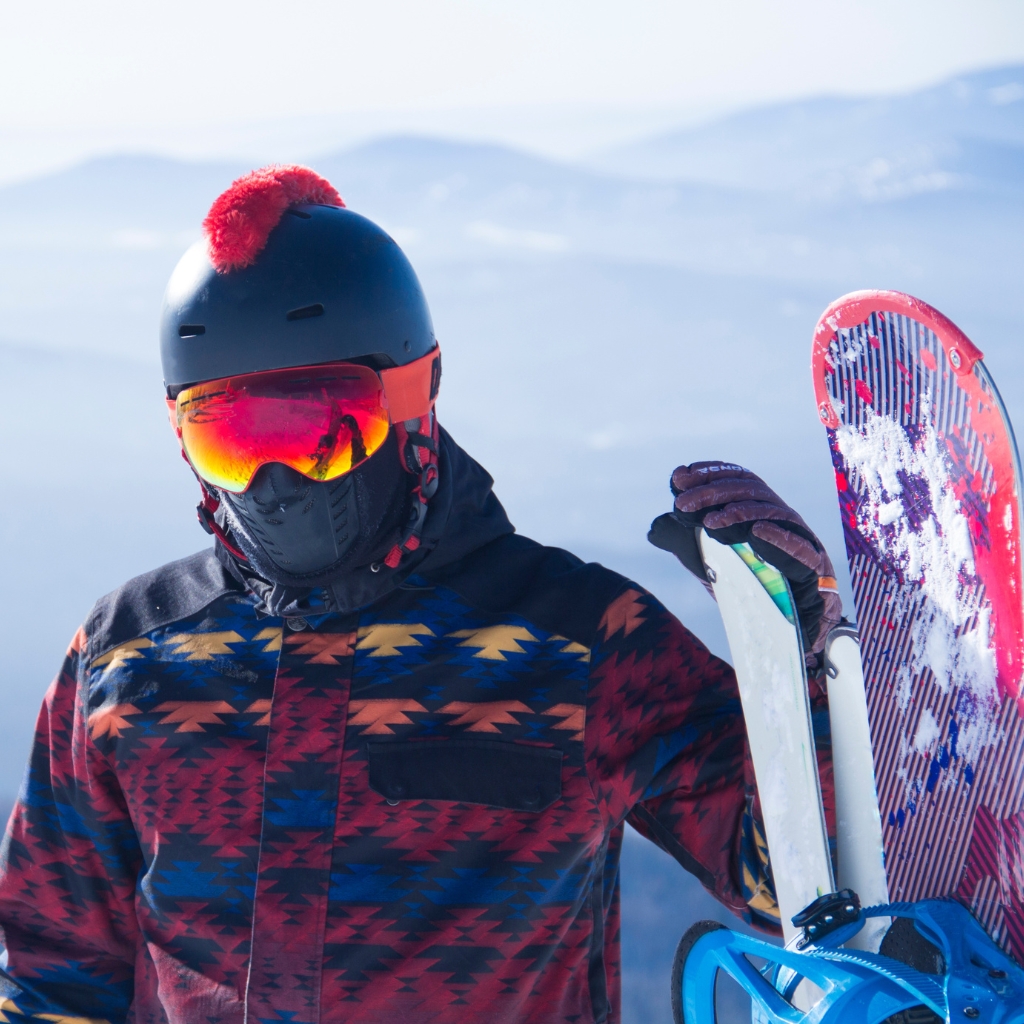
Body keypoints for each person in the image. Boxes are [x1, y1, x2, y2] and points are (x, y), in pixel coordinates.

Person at [0, 166, 841, 1024]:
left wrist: (802, 670)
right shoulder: (130, 655)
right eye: (232, 439)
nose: (277, 482)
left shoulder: (573, 641)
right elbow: (51, 969)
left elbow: (798, 883)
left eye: (321, 429)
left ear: (414, 393)